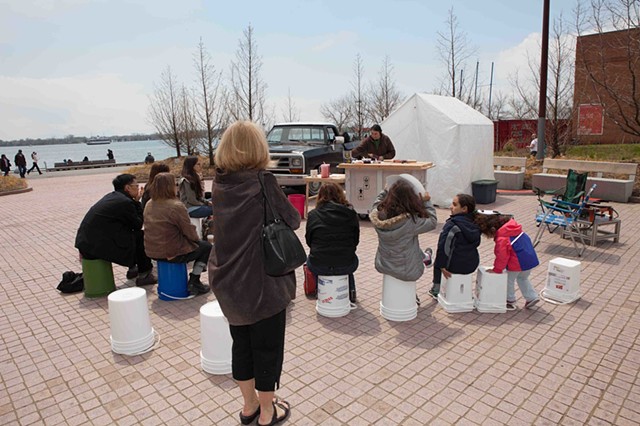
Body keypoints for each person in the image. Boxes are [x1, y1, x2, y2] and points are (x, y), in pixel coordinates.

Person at [208, 120, 297, 426]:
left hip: (227, 278)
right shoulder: (263, 180)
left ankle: (249, 407)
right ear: (258, 146)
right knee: (267, 347)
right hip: (262, 280)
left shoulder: (219, 183)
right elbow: (293, 219)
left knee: (241, 345)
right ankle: (268, 411)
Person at [75, 174, 157, 286]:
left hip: (86, 243)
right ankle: (144, 274)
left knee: (131, 235)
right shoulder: (125, 202)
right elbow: (138, 224)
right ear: (127, 188)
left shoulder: (113, 197)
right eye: (136, 186)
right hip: (94, 247)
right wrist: (138, 202)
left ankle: (133, 268)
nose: (138, 189)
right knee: (140, 236)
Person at [369, 177, 437, 304]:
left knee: (410, 248)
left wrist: (384, 191)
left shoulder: (379, 215)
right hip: (406, 269)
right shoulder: (411, 221)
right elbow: (432, 222)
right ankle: (426, 259)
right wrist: (427, 202)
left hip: (384, 263)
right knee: (412, 249)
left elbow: (376, 204)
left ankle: (425, 258)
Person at [143, 172, 211, 295]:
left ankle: (193, 281)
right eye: (175, 184)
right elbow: (189, 231)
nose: (177, 187)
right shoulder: (175, 206)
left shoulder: (149, 203)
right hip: (171, 253)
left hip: (152, 251)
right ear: (170, 187)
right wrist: (196, 241)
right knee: (206, 247)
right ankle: (194, 281)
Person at [305, 183, 360, 303]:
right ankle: (350, 291)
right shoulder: (351, 214)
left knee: (310, 259)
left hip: (319, 265)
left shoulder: (313, 215)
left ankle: (320, 290)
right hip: (346, 264)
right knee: (346, 259)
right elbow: (355, 241)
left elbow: (309, 241)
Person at [475, 212, 540, 310]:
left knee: (508, 280)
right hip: (529, 259)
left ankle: (510, 300)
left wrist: (497, 269)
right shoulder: (515, 229)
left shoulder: (502, 238)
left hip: (516, 262)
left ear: (492, 229)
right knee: (523, 278)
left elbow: (502, 256)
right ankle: (531, 297)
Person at [428, 194, 481, 299]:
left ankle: (436, 290)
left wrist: (441, 265)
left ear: (464, 209)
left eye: (454, 204)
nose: (451, 207)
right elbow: (477, 243)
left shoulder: (452, 225)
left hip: (455, 266)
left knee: (439, 261)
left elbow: (443, 247)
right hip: (471, 265)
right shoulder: (475, 223)